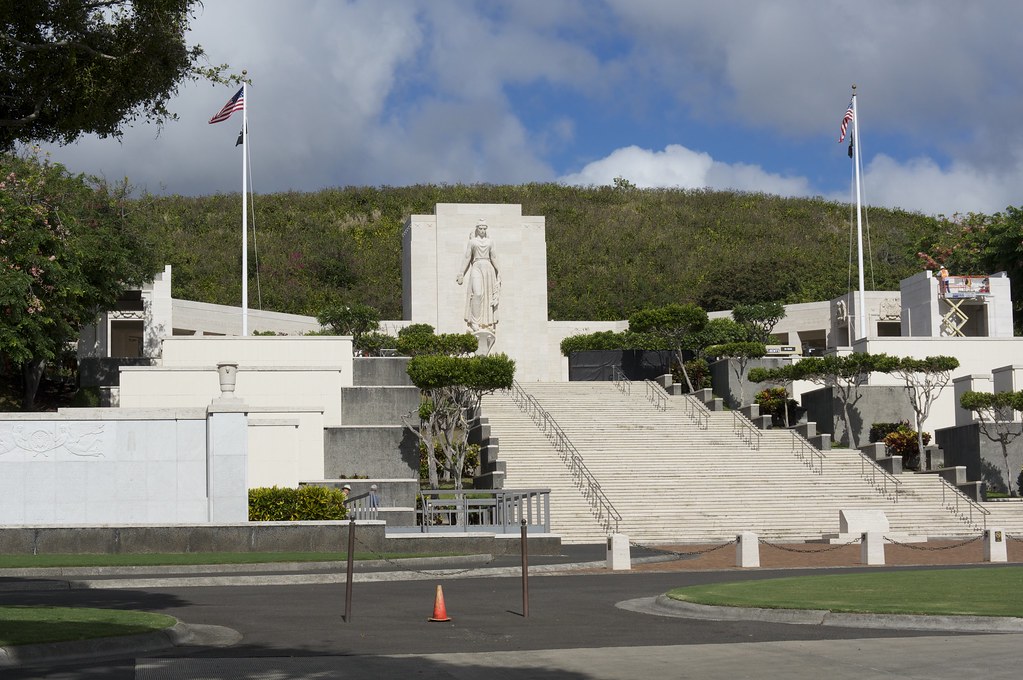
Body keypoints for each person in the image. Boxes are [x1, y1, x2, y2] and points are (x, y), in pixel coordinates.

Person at [455, 220, 500, 333]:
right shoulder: (472, 242)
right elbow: (467, 257)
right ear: (477, 229)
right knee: (478, 294)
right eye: (480, 228)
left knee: (488, 295)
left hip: (488, 267)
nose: (482, 230)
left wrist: (499, 271)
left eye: (484, 228)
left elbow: (493, 257)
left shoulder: (490, 242)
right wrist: (461, 273)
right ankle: (474, 321)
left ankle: (486, 323)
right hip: (476, 266)